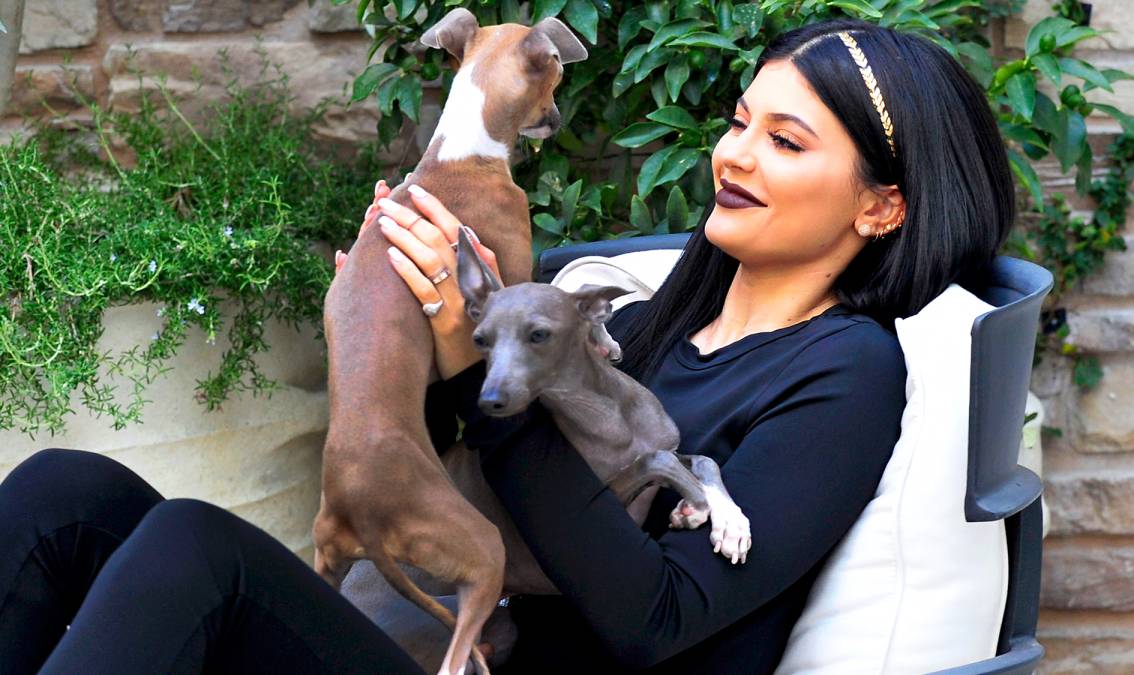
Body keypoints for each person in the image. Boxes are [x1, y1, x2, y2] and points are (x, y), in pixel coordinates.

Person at [0, 17, 1012, 674]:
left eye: (785, 142)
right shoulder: (649, 321)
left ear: (882, 205)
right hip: (462, 648)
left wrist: (484, 365)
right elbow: (469, 459)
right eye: (741, 122)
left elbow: (660, 615)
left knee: (195, 548)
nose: (733, 154)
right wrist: (381, 323)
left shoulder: (845, 373)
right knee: (63, 493)